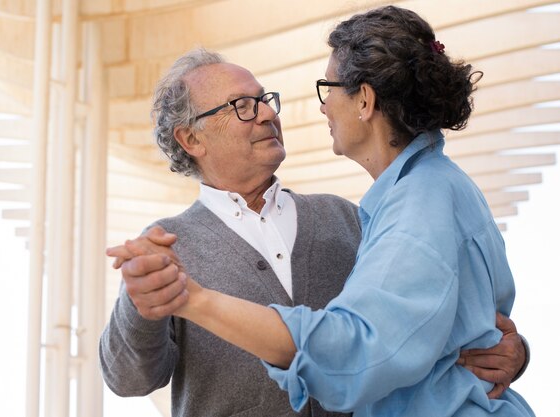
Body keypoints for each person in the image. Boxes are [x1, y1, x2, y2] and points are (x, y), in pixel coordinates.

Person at [100, 43, 529, 417]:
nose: (267, 113)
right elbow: (127, 379)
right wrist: (140, 304)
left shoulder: (347, 217)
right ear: (191, 139)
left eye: (265, 99)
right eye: (242, 106)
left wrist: (515, 351)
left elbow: (420, 324)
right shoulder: (167, 247)